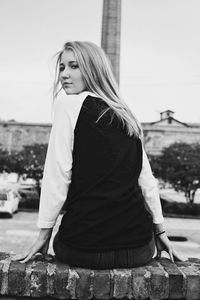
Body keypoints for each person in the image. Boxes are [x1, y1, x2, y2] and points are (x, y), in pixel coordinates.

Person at [12, 41, 180, 269]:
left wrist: (44, 233)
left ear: (93, 69)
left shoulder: (68, 105)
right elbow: (146, 180)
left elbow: (58, 175)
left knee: (65, 240)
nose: (65, 75)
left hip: (84, 248)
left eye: (74, 66)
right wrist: (160, 231)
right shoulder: (126, 114)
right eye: (62, 68)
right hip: (139, 248)